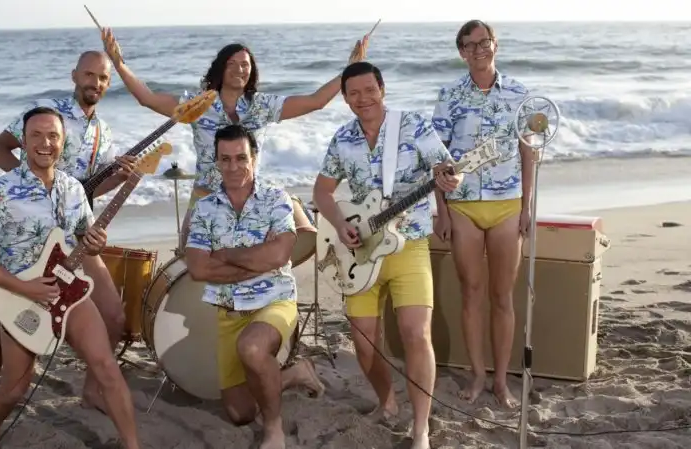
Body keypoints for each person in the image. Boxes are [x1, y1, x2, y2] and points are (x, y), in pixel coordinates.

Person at [0, 50, 136, 426]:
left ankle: (93, 390)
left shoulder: (102, 131)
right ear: (74, 75)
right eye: (88, 74)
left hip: (74, 234)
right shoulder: (47, 114)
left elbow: (91, 189)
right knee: (8, 328)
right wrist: (31, 188)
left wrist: (119, 178)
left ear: (109, 84)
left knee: (113, 314)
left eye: (102, 78)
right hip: (32, 238)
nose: (94, 83)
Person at [99, 28, 369, 247]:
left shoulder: (262, 105)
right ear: (220, 68)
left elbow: (315, 101)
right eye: (233, 64)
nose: (240, 69)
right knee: (191, 268)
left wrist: (349, 70)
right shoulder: (198, 104)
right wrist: (118, 63)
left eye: (245, 65)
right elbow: (147, 98)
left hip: (249, 202)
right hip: (205, 199)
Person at [312, 61, 462, 449]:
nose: (363, 98)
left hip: (408, 244)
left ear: (382, 89)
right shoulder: (343, 138)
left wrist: (450, 177)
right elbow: (322, 192)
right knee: (364, 346)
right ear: (346, 99)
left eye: (369, 90)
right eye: (354, 93)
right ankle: (387, 402)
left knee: (416, 333)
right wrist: (339, 224)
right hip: (360, 252)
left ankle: (421, 429)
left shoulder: (413, 125)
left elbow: (445, 167)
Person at [185, 124, 325, 449]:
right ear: (216, 161)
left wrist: (225, 255)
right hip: (228, 310)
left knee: (252, 348)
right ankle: (293, 374)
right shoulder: (204, 209)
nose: (233, 166)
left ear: (254, 158)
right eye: (225, 159)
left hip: (274, 300)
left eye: (241, 158)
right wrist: (256, 261)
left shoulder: (276, 199)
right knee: (239, 412)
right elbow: (198, 268)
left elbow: (278, 256)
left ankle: (274, 430)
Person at [430, 20, 533, 409]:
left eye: (484, 42)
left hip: (508, 205)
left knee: (502, 295)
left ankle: (502, 382)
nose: (478, 49)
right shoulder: (449, 95)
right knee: (472, 292)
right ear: (461, 52)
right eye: (470, 45)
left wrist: (527, 206)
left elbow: (528, 152)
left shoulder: (520, 94)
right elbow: (437, 159)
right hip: (463, 207)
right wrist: (441, 212)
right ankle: (477, 375)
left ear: (495, 45)